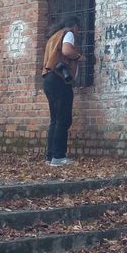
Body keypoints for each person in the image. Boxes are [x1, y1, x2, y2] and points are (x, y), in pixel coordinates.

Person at [42, 15, 82, 166]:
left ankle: (51, 156)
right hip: (59, 80)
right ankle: (59, 157)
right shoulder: (68, 33)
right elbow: (66, 51)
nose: (78, 33)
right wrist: (79, 56)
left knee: (55, 120)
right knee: (63, 119)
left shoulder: (53, 37)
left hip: (48, 79)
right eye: (78, 29)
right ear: (75, 26)